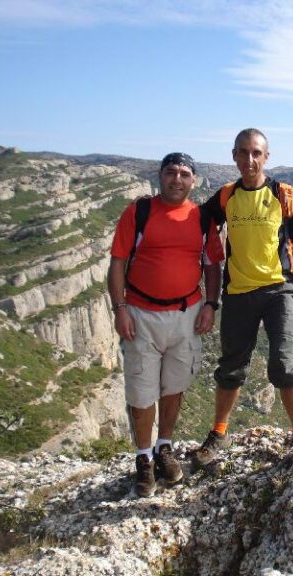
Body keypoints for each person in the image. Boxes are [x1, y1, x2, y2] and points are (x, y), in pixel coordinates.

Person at [194, 128, 293, 465]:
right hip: (237, 293)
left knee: (284, 365)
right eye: (243, 153)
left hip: (279, 290)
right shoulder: (225, 197)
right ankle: (218, 432)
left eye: (256, 153)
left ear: (266, 157)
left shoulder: (283, 195)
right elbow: (194, 222)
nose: (249, 160)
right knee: (231, 367)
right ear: (234, 156)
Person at [107, 152, 224, 497]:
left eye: (184, 173)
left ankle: (164, 448)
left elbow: (213, 266)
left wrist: (210, 305)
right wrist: (120, 308)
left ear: (194, 181)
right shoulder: (138, 212)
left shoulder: (202, 219)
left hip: (187, 315)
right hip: (141, 315)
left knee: (174, 386)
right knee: (142, 392)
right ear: (159, 176)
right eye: (171, 172)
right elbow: (117, 263)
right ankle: (143, 460)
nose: (177, 179)